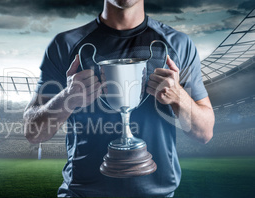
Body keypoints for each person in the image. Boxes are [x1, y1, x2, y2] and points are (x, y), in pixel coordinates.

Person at [23, 0, 214, 197]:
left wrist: (179, 97)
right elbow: (32, 132)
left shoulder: (178, 44)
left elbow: (204, 133)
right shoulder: (66, 44)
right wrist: (67, 98)